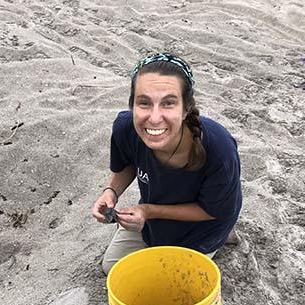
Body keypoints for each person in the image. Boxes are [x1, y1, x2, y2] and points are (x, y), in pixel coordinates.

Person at [92, 52, 242, 274]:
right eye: (144, 103)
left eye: (168, 103)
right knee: (114, 269)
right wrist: (111, 192)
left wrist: (147, 210)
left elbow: (212, 211)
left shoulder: (219, 148)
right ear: (132, 105)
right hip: (156, 215)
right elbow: (128, 165)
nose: (154, 117)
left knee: (171, 280)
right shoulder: (125, 128)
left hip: (205, 223)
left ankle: (223, 235)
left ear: (186, 108)